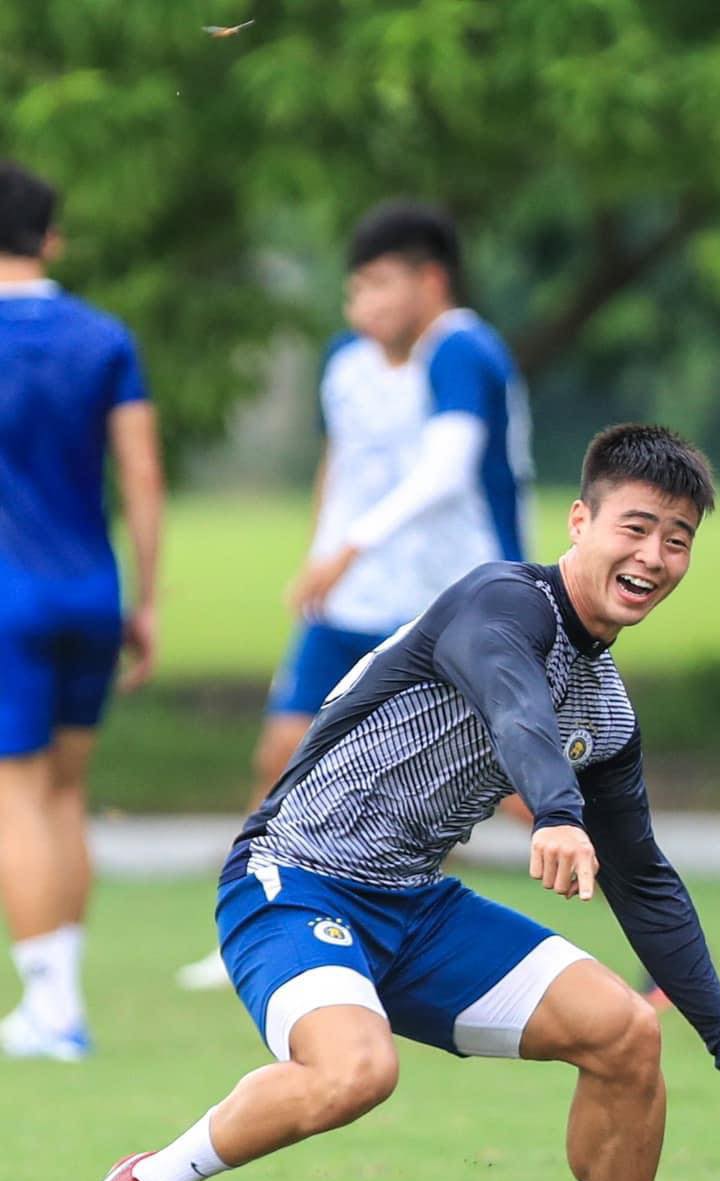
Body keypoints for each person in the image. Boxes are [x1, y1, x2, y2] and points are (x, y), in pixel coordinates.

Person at [57, 425, 720, 1181]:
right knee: (357, 1073)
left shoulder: (608, 713)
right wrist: (557, 813)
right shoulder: (498, 602)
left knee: (626, 1035)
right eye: (636, 527)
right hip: (294, 879)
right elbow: (513, 701)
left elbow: (645, 880)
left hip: (416, 907)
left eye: (678, 539)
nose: (654, 556)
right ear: (580, 522)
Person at [177, 203, 535, 991]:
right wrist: (321, 554)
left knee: (516, 785)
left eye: (378, 284)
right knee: (282, 755)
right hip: (351, 606)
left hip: (453, 605)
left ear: (429, 280)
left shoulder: (463, 350)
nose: (361, 305)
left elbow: (447, 473)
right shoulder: (349, 364)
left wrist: (348, 548)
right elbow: (340, 470)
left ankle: (646, 921)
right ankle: (255, 926)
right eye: (354, 290)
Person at [0, 161, 165, 1062]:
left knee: (14, 795)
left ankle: (51, 1009)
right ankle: (59, 999)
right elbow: (140, 473)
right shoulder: (104, 336)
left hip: (6, 596)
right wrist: (144, 597)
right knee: (63, 791)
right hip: (92, 592)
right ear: (51, 238)